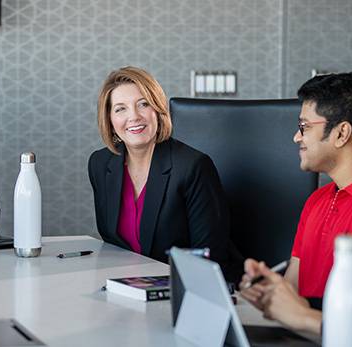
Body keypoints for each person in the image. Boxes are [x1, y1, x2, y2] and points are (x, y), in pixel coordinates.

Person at [238, 68, 352, 346]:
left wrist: (299, 314)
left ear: (341, 133)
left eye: (304, 127)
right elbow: (295, 288)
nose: (296, 138)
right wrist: (272, 293)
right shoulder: (317, 199)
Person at [88, 66, 242, 282]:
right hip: (127, 289)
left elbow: (208, 257)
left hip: (181, 289)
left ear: (158, 111)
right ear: (110, 121)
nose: (133, 116)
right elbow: (113, 245)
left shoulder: (193, 167)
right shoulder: (101, 164)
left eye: (143, 104)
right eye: (120, 109)